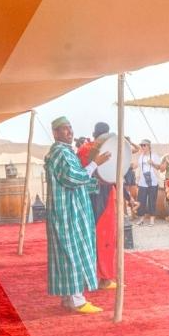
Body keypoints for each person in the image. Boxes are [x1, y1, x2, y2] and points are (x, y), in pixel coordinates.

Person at [44, 116, 110, 315]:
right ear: (55, 133)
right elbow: (73, 178)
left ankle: (68, 298)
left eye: (70, 128)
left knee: (67, 254)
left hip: (68, 211)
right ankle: (77, 300)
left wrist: (97, 180)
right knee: (72, 253)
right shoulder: (60, 153)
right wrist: (95, 164)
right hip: (67, 214)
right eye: (64, 129)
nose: (69, 132)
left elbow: (78, 178)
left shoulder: (65, 152)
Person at [77, 122, 121, 289]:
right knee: (105, 236)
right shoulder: (105, 150)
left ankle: (85, 276)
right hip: (103, 194)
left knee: (86, 235)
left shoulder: (83, 149)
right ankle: (104, 278)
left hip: (85, 195)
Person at [135, 139, 163, 226]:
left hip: (153, 182)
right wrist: (137, 179)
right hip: (142, 182)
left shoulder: (154, 156)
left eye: (144, 145)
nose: (142, 147)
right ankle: (141, 219)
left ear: (149, 146)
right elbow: (138, 168)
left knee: (152, 201)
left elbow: (159, 167)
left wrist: (153, 163)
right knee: (141, 201)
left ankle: (152, 220)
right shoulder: (141, 157)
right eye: (141, 145)